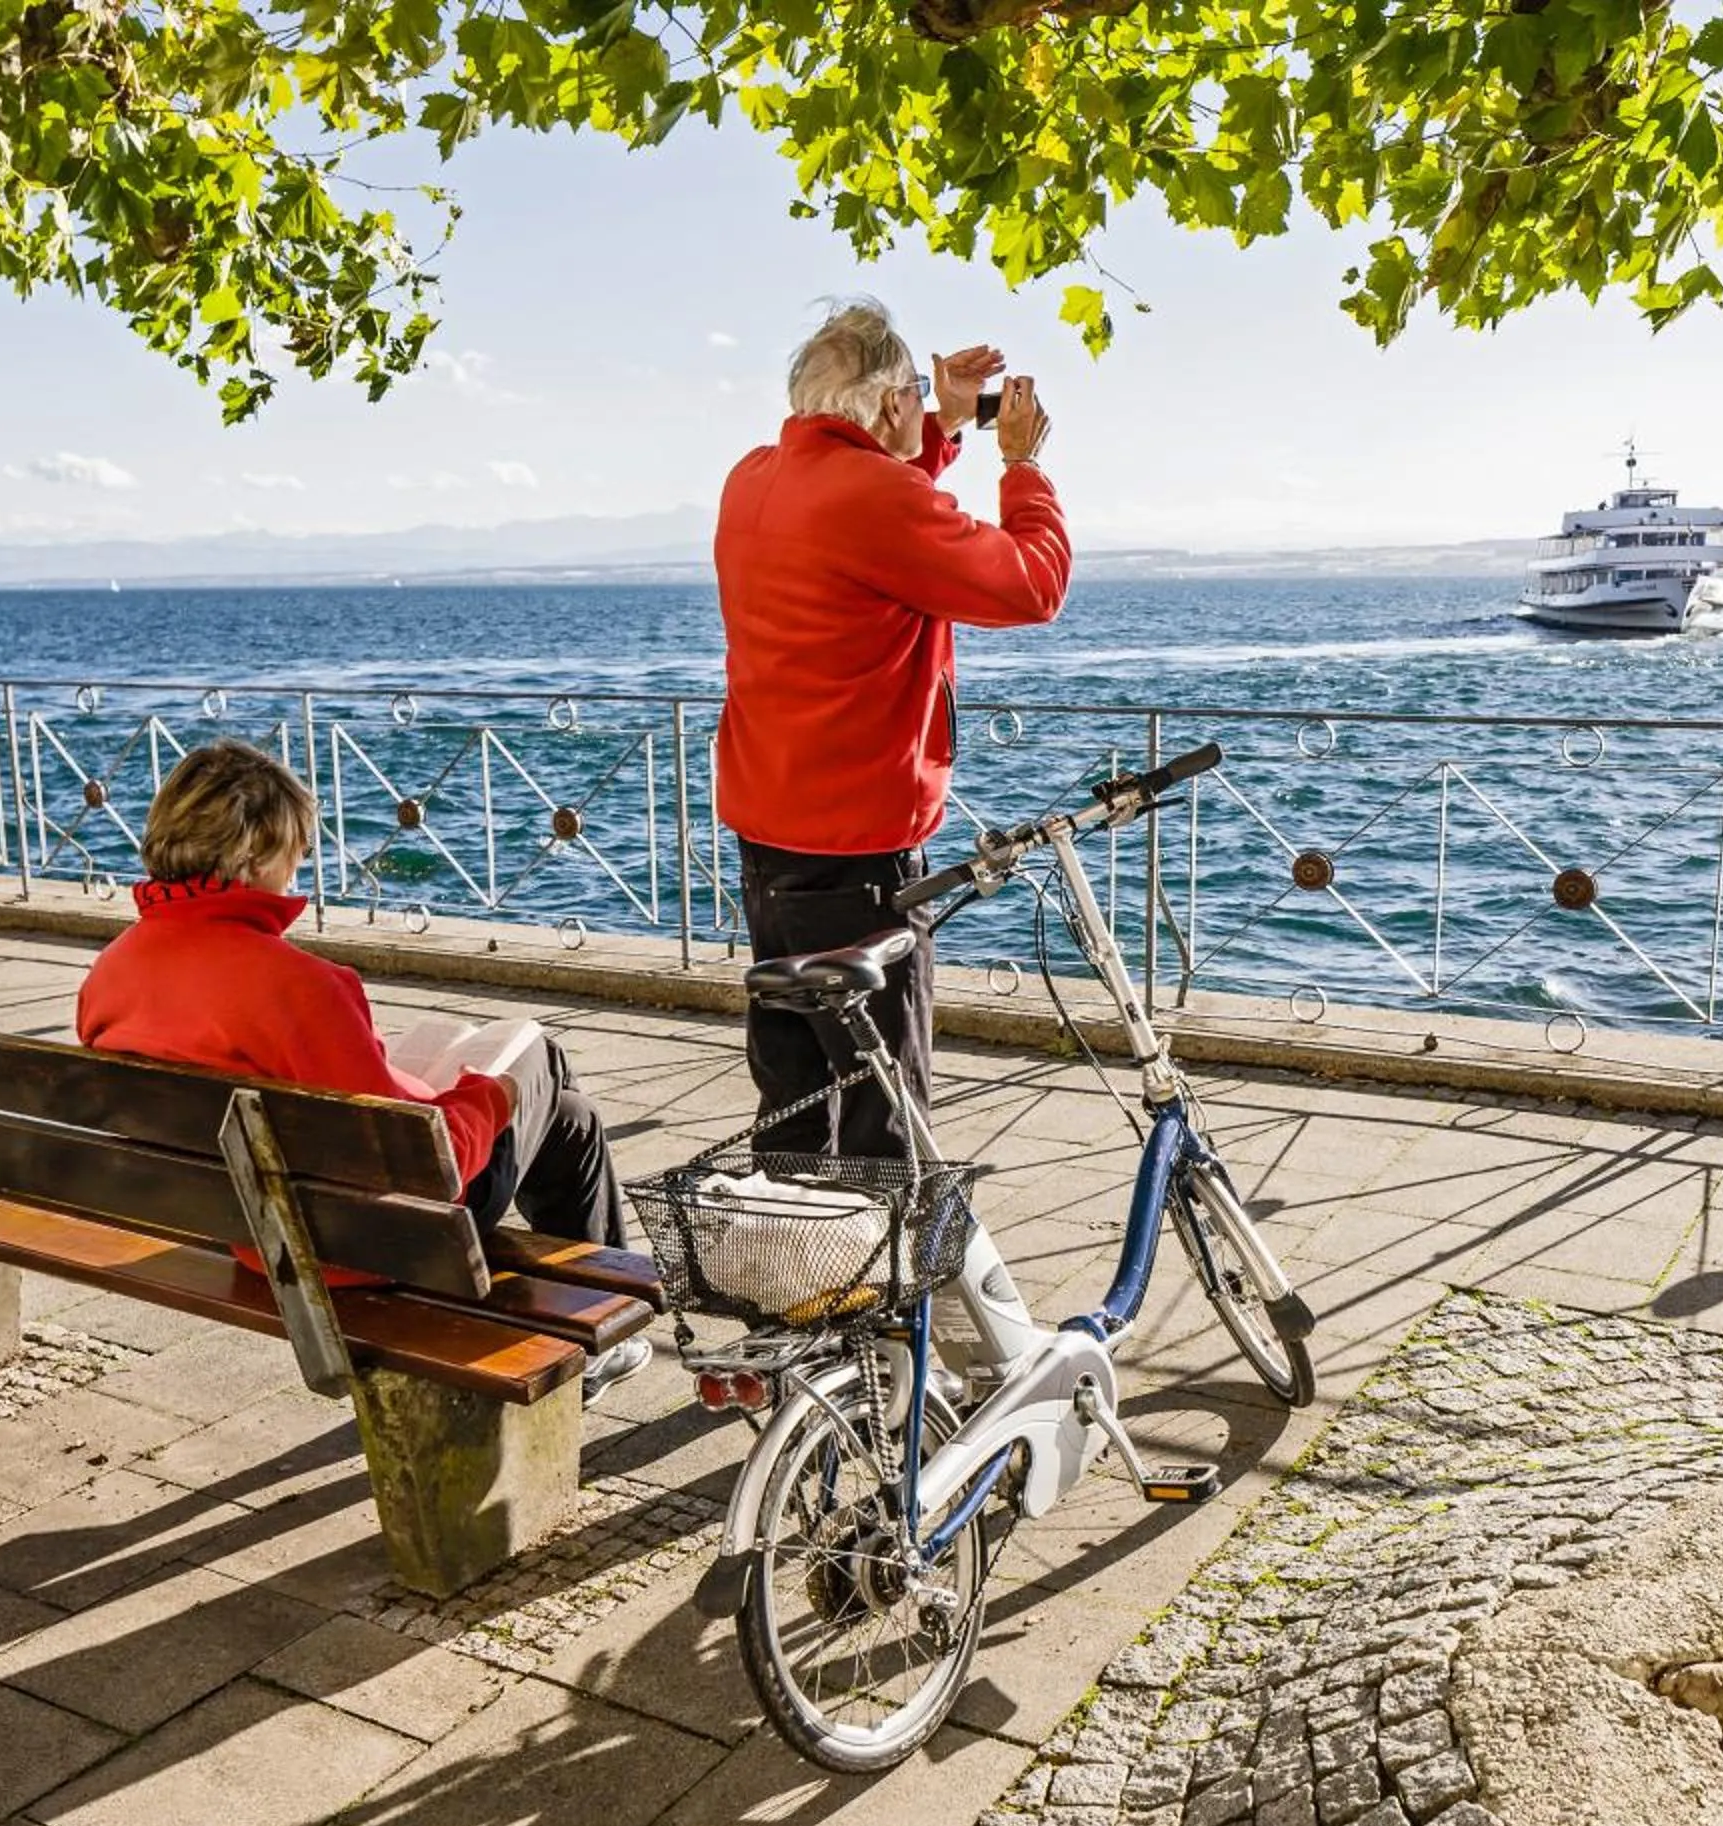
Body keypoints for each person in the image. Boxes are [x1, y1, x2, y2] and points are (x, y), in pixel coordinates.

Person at [77, 740, 653, 1401]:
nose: (303, 861)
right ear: (252, 856)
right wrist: (487, 1098)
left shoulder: (112, 971)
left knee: (570, 1123)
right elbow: (410, 1170)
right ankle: (594, 1325)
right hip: (370, 1244)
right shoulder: (300, 985)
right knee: (540, 1063)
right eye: (295, 845)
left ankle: (591, 1327)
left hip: (240, 1221)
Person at [714, 299, 1071, 1158]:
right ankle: (898, 1280)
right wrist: (1020, 466)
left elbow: (888, 509)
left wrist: (943, 420)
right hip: (858, 854)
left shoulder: (755, 476)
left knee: (793, 1096)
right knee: (885, 1107)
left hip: (771, 835)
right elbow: (1030, 585)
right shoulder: (873, 495)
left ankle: (797, 1273)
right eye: (912, 389)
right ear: (881, 407)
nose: (923, 401)